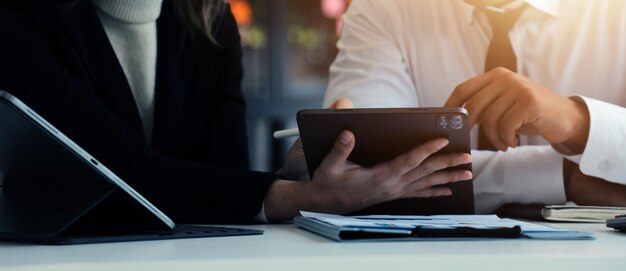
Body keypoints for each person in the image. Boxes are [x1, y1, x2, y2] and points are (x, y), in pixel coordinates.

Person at [0, 0, 472, 223]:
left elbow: (221, 176)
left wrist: (299, 168)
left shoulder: (209, 18)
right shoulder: (18, 19)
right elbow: (121, 174)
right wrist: (301, 196)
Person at [324, 0, 626, 213]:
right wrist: (568, 176)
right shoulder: (382, 9)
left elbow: (397, 176)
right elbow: (367, 173)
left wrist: (578, 123)